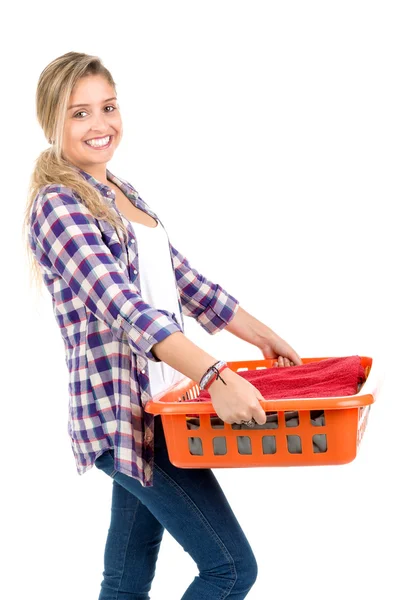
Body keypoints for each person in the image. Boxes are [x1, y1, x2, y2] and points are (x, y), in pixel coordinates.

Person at [24, 51, 302, 600]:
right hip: (123, 417)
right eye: (79, 113)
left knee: (125, 583)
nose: (100, 125)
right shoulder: (58, 205)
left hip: (161, 410)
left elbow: (185, 281)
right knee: (229, 570)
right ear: (51, 121)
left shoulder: (124, 194)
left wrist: (263, 336)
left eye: (108, 106)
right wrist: (218, 375)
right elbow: (126, 307)